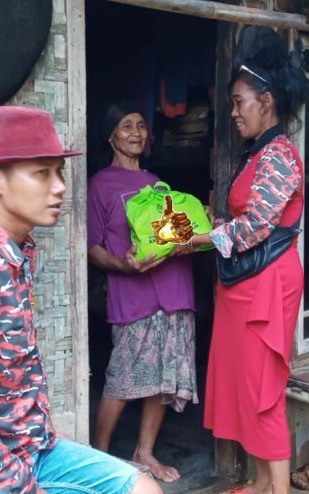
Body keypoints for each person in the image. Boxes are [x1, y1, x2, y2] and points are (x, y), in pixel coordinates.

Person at [0, 106, 162, 494]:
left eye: (58, 172)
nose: (59, 186)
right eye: (42, 173)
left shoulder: (13, 252)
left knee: (143, 489)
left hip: (28, 449)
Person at [187, 26, 306, 494]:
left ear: (267, 101)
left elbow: (257, 224)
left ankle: (278, 490)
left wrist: (203, 237)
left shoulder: (280, 155)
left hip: (267, 287)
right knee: (248, 387)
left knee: (264, 396)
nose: (233, 112)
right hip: (246, 284)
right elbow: (243, 219)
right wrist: (207, 224)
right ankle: (260, 482)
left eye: (239, 102)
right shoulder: (257, 152)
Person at [87, 102, 197, 483]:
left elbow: (170, 235)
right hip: (134, 295)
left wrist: (191, 239)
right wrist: (122, 265)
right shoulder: (101, 184)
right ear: (110, 135)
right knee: (122, 378)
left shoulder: (156, 183)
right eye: (126, 126)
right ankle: (97, 457)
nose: (136, 133)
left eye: (141, 126)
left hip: (174, 289)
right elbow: (93, 246)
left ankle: (144, 452)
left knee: (163, 378)